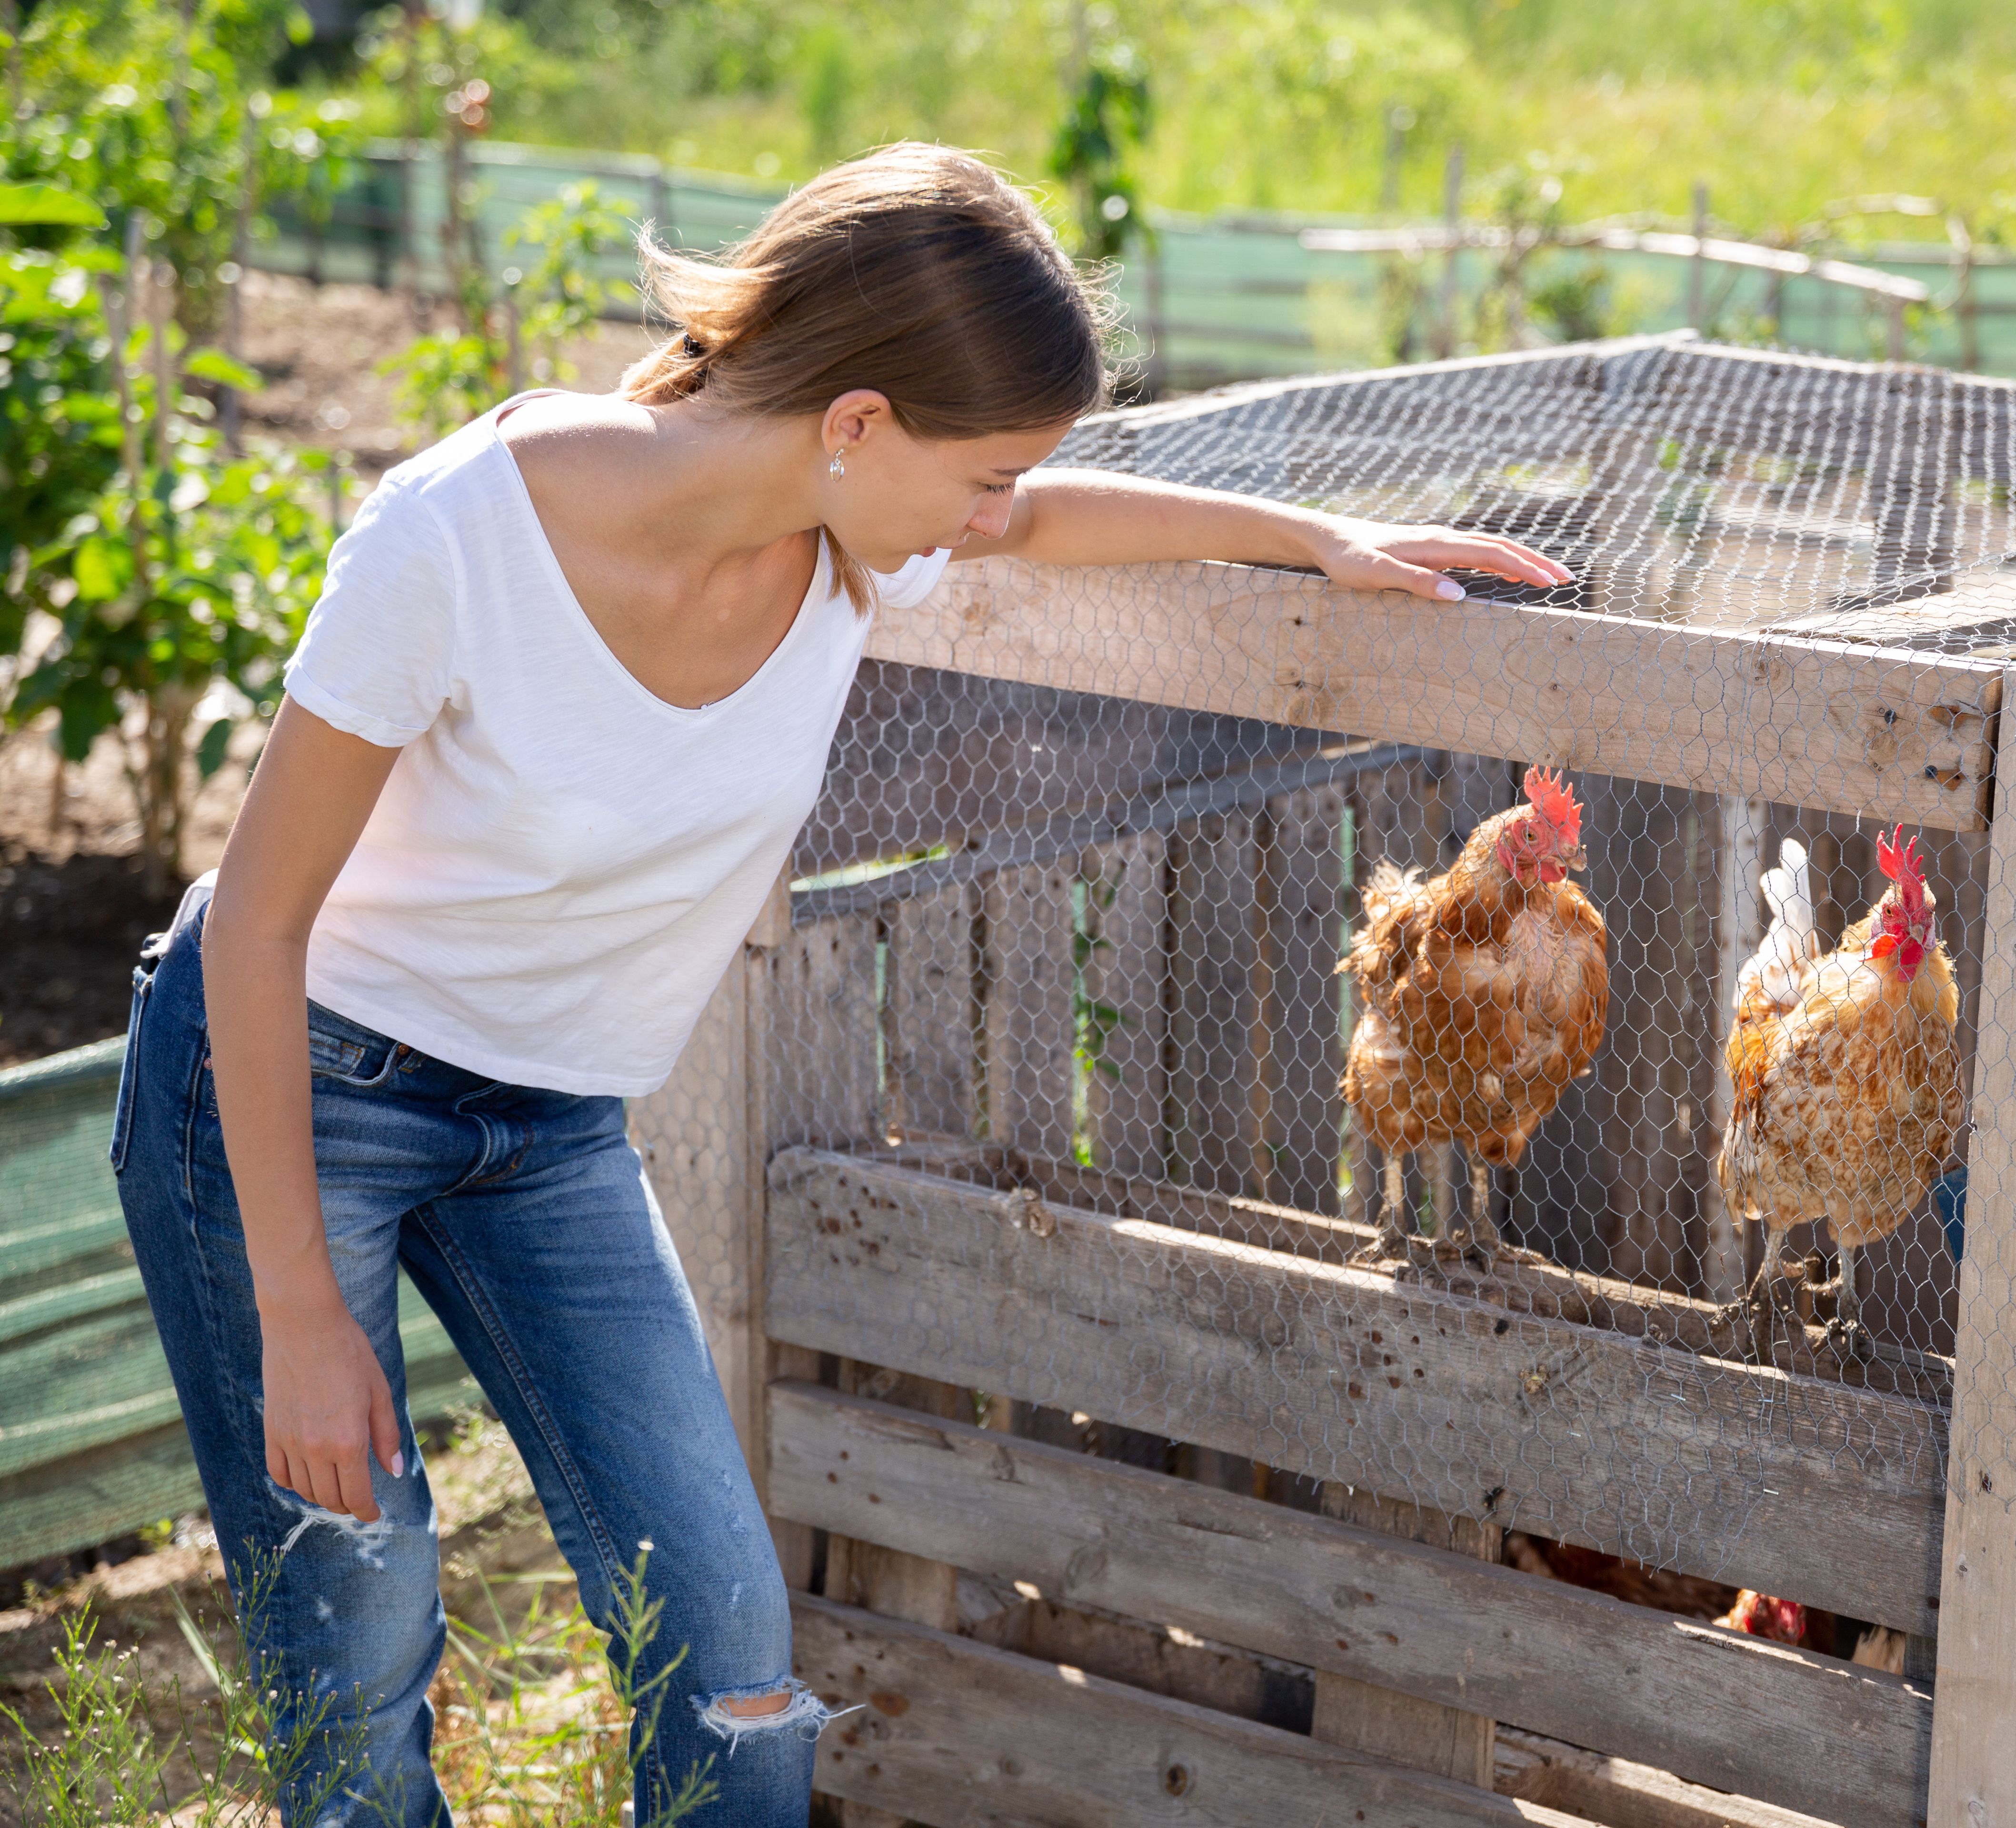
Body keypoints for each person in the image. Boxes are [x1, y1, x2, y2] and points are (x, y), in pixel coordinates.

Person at [110, 141, 1570, 1828]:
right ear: (858, 420)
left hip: (555, 1127)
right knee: (359, 1640)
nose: (991, 516)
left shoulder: (852, 536)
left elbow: (1049, 518)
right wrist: (297, 1312)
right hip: (297, 1091)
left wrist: (1314, 539)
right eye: (980, 475)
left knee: (731, 1657)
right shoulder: (454, 540)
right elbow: (261, 925)